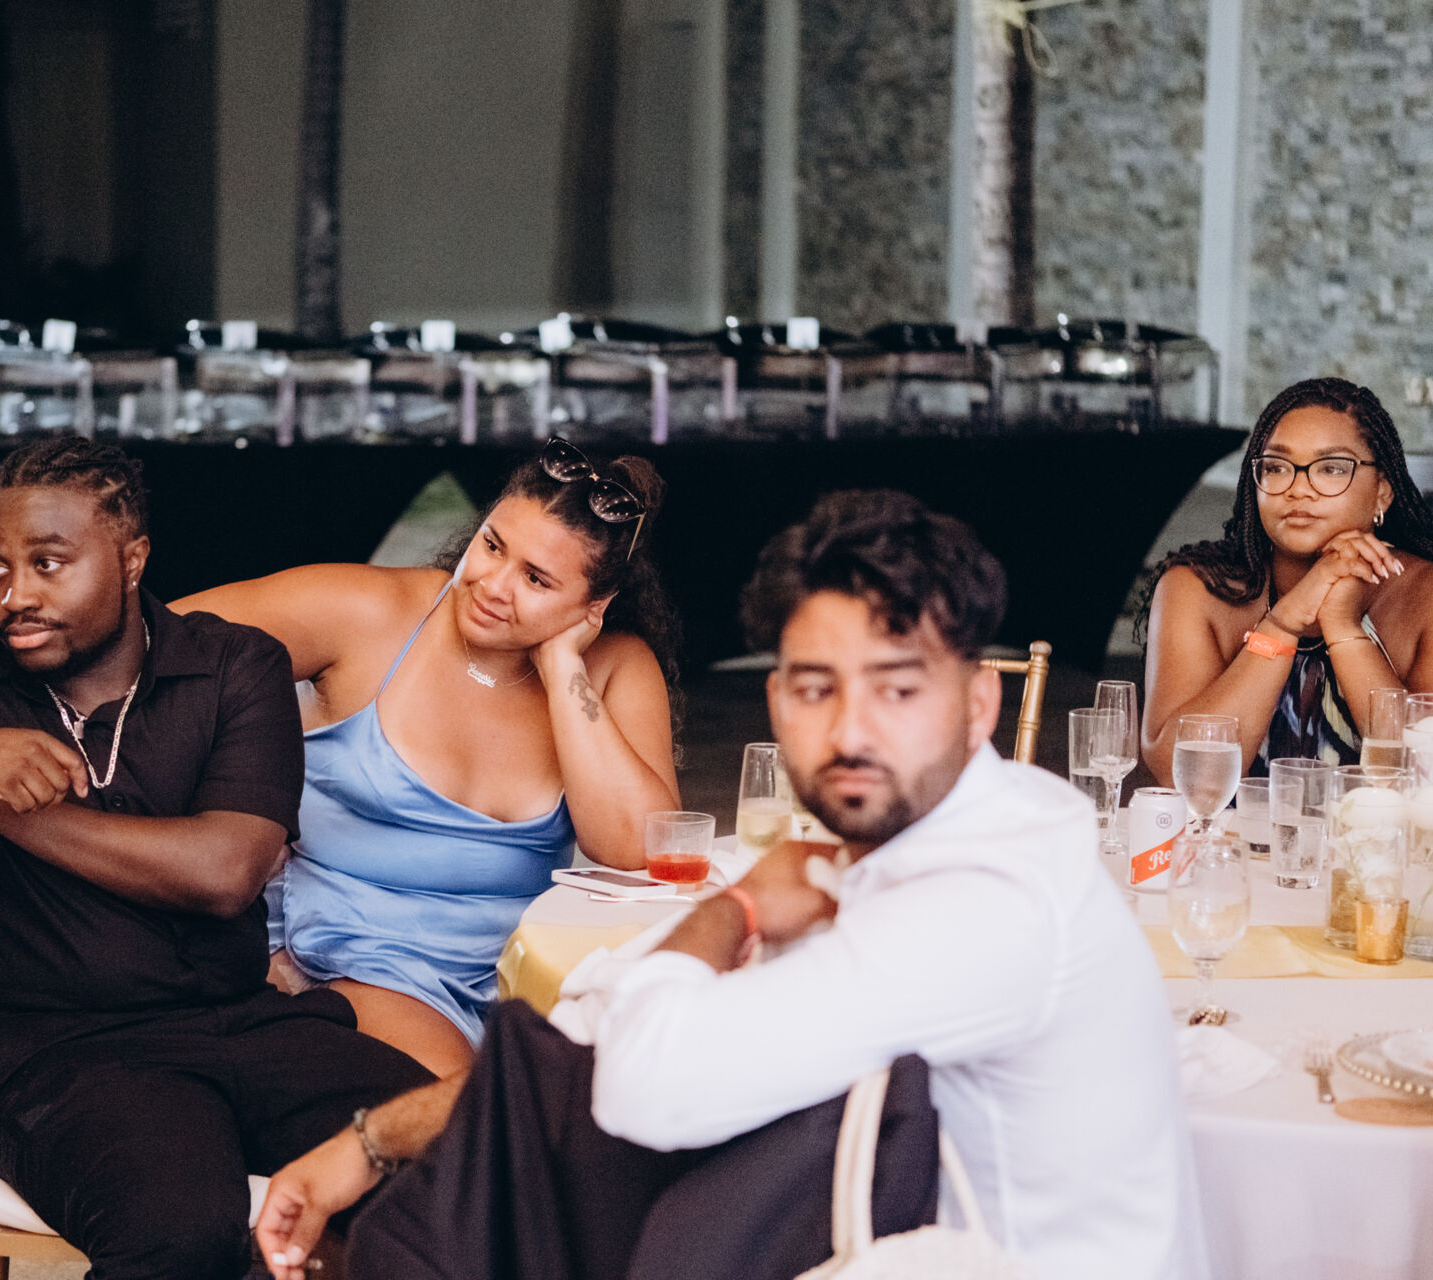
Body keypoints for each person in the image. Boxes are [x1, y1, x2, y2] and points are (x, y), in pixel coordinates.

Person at [255, 489, 1206, 1280]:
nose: (851, 731)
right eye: (815, 687)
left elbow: (644, 1086)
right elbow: (587, 1028)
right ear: (775, 701)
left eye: (898, 688)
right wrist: (369, 1144)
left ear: (979, 702)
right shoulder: (901, 842)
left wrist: (729, 911)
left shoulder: (989, 895)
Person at [0, 437, 433, 1280]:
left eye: (48, 564)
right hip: (54, 1057)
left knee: (471, 1155)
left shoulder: (235, 666)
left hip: (245, 1025)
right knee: (181, 1228)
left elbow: (224, 873)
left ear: (132, 560)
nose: (14, 595)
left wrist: (11, 817)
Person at [172, 438, 681, 1076]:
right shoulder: (369, 612)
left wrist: (561, 666)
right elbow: (159, 652)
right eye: (492, 545)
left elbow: (638, 847)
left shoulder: (614, 668)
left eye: (536, 579)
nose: (492, 585)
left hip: (508, 978)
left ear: (594, 607)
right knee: (456, 1118)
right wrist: (228, 807)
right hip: (341, 958)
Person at [1144, 377, 1433, 778]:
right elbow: (1181, 776)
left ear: (1382, 491)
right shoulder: (1199, 588)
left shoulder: (1424, 594)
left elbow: (1422, 774)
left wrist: (1342, 625)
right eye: (1277, 467)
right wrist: (1283, 622)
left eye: (1331, 468)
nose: (1298, 489)